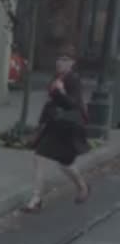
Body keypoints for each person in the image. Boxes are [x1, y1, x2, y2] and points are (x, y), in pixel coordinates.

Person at [21, 74, 91, 213]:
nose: (60, 63)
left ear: (71, 63)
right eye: (59, 61)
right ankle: (36, 199)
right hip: (54, 126)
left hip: (68, 129)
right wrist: (39, 127)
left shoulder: (74, 80)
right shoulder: (57, 77)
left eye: (65, 62)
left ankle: (82, 186)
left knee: (65, 163)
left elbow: (73, 105)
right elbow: (50, 103)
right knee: (40, 157)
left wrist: (61, 91)